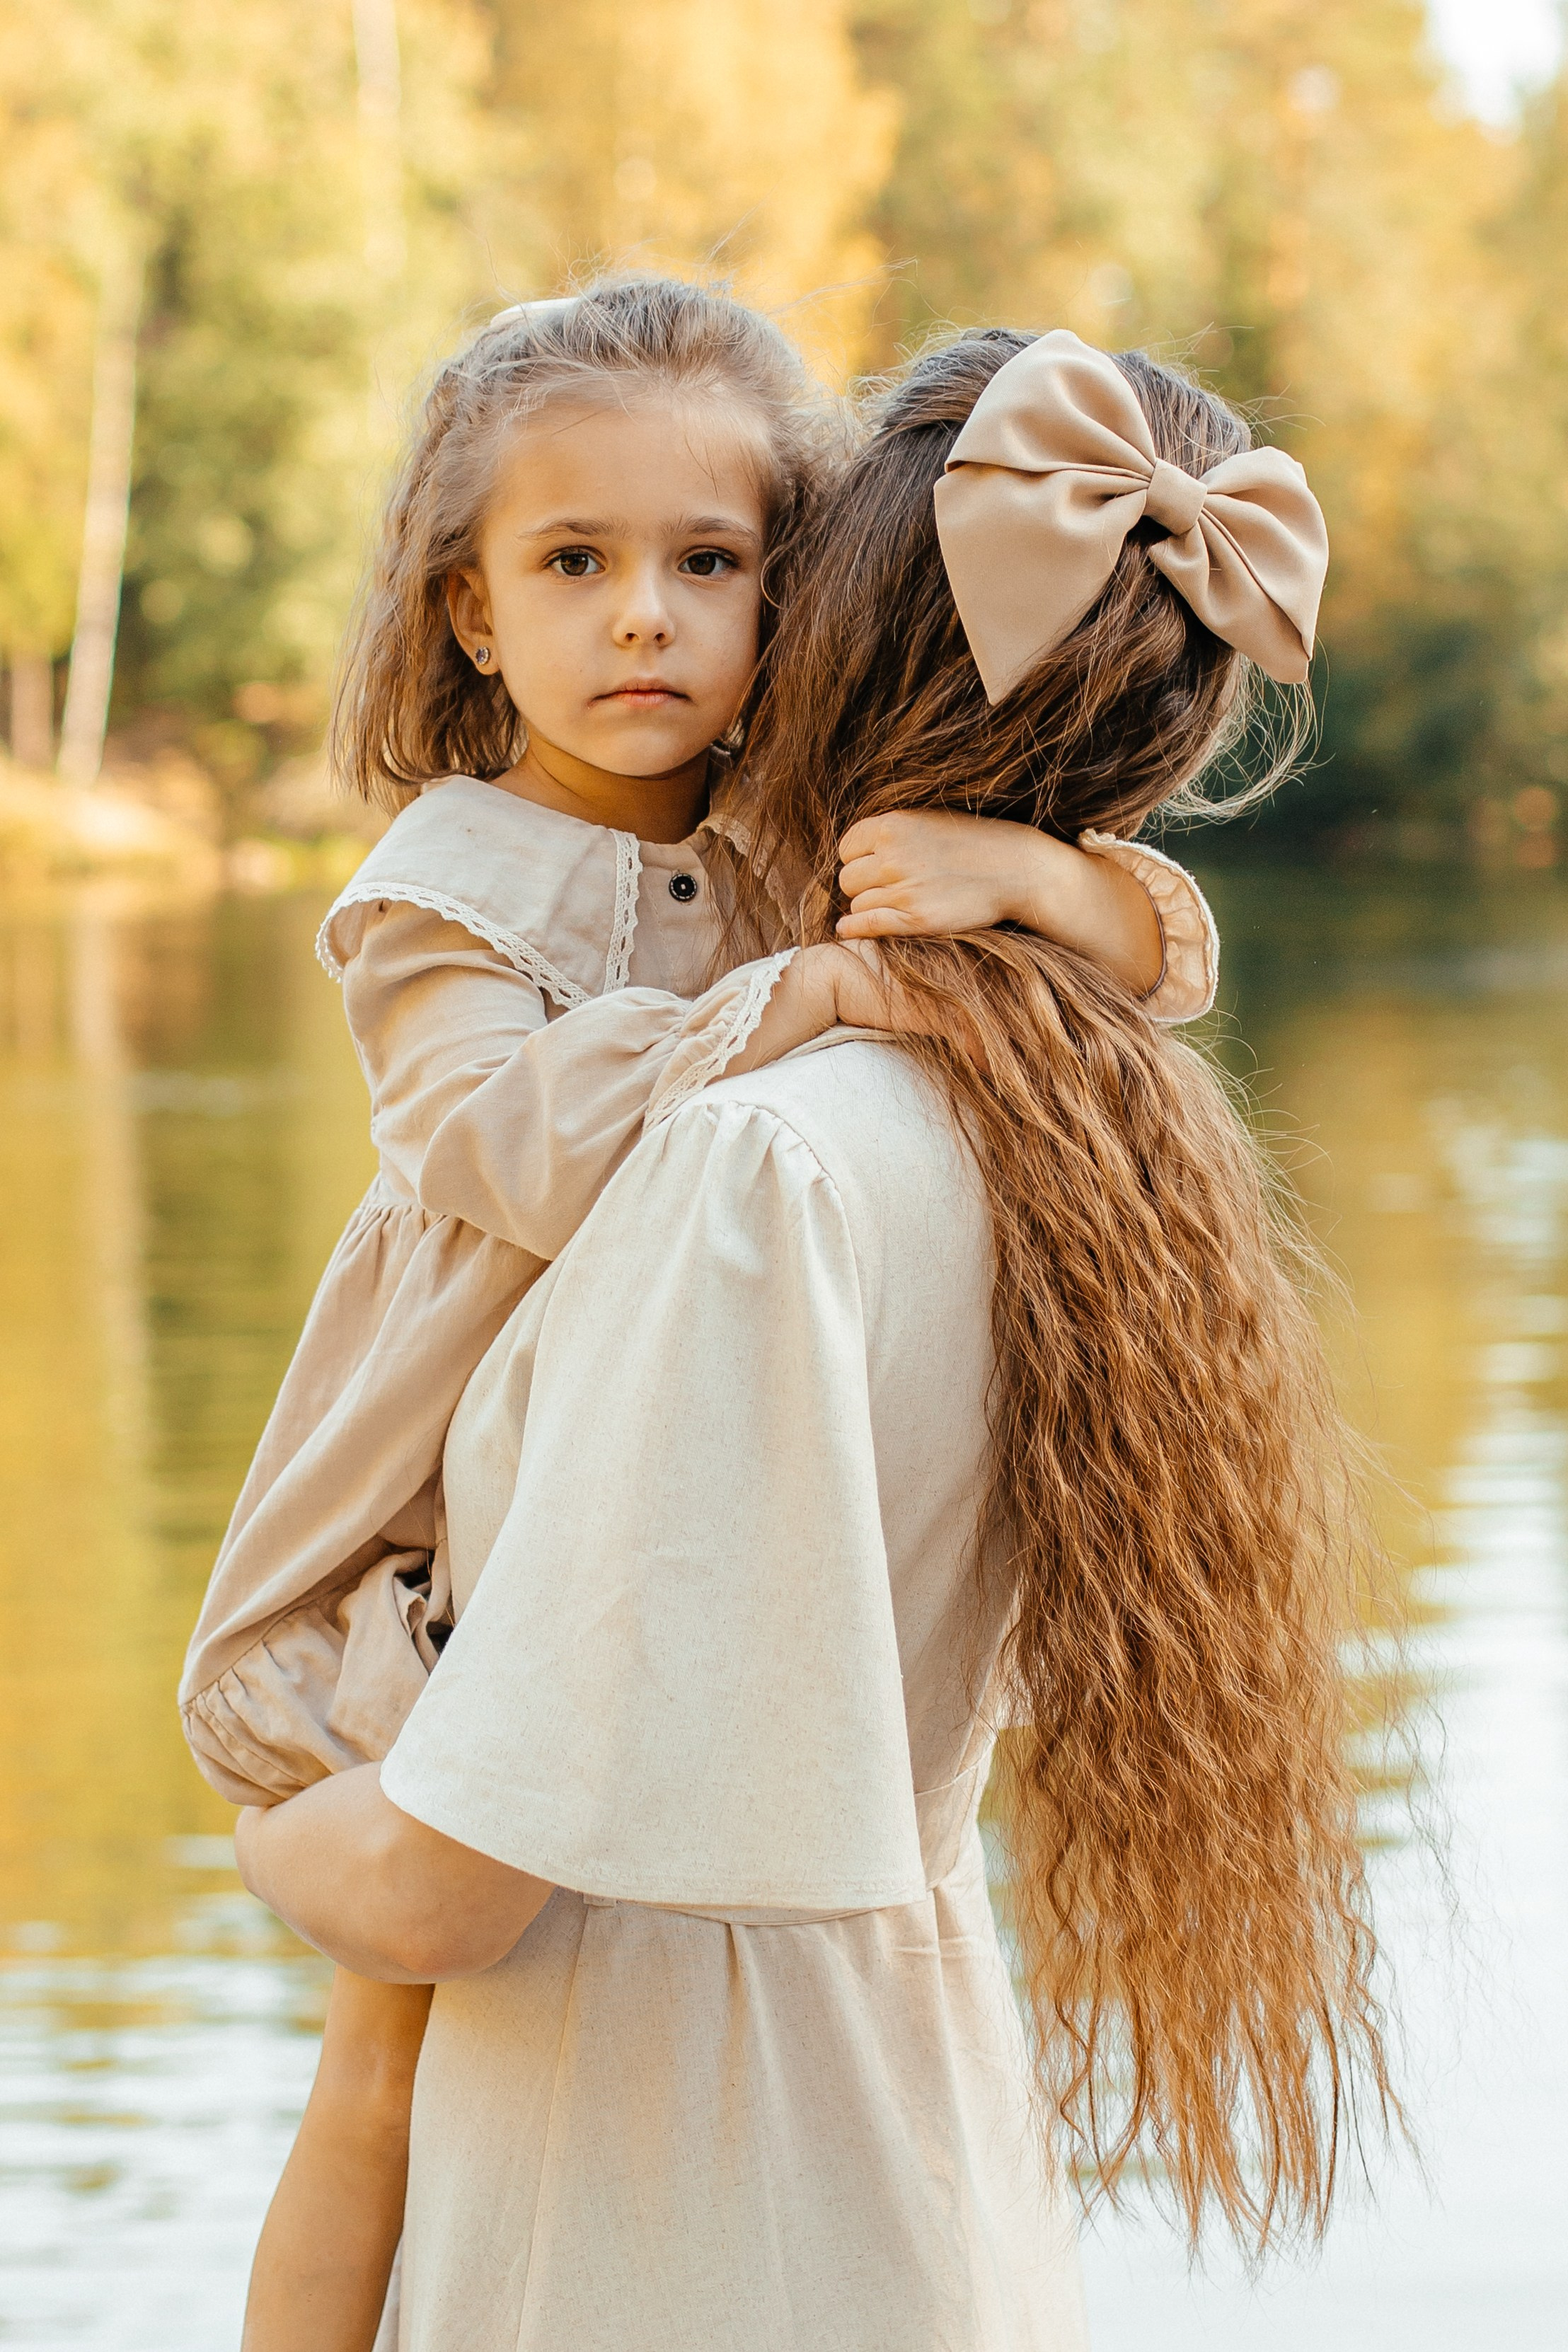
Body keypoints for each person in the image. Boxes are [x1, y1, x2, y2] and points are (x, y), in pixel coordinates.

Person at [236, 327, 1394, 2350]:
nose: (648, 618)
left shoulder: (796, 846)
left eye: (713, 562)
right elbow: (503, 1146)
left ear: (804, 596)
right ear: (473, 616)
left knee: (395, 2052)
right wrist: (812, 994)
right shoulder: (452, 885)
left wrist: (1024, 876)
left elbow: (1164, 958)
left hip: (611, 1545)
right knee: (371, 2087)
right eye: (576, 564)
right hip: (426, 1514)